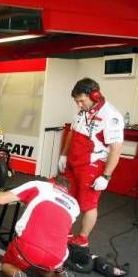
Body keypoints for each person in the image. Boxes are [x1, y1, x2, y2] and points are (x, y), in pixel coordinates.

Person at [58, 78, 124, 248]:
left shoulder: (111, 116)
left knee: (88, 205)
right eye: (76, 101)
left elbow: (116, 148)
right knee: (65, 198)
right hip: (73, 162)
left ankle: (82, 239)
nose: (79, 105)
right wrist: (64, 155)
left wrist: (106, 176)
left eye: (81, 100)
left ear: (94, 95)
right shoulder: (82, 111)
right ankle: (64, 232)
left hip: (91, 167)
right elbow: (72, 133)